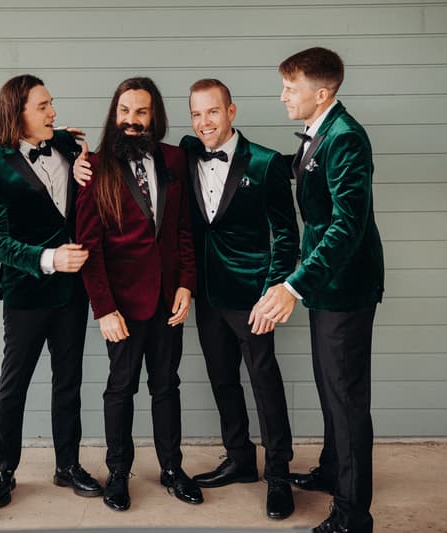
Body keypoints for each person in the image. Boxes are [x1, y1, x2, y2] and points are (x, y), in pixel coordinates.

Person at [253, 47, 385, 533]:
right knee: (332, 389)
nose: (283, 95)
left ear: (321, 93)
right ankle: (333, 470)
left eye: (291, 88)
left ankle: (352, 516)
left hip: (344, 286)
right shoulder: (322, 132)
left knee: (347, 401)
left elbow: (347, 227)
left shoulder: (347, 138)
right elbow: (301, 168)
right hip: (326, 287)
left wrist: (293, 285)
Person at [0, 74, 101, 509]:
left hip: (73, 294)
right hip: (26, 294)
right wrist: (48, 258)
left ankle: (67, 465)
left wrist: (80, 153)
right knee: (15, 384)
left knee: (69, 381)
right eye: (43, 106)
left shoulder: (66, 145)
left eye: (52, 104)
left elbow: (79, 165)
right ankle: (3, 469)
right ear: (18, 113)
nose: (54, 113)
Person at [74, 77, 202, 511]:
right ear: (115, 114)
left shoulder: (175, 159)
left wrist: (187, 283)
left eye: (141, 111)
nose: (132, 120)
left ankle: (171, 468)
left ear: (155, 116)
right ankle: (118, 472)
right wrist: (104, 309)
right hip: (122, 307)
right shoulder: (94, 166)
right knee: (120, 388)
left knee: (167, 386)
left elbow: (183, 229)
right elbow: (89, 247)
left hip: (169, 300)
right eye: (125, 111)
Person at [180, 78, 299, 520]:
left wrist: (274, 289)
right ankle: (240, 458)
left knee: (265, 382)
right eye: (196, 113)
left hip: (252, 296)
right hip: (207, 294)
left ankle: (280, 475)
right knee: (222, 378)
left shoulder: (266, 163)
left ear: (232, 111)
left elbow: (287, 234)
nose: (204, 122)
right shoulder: (187, 153)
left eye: (212, 111)